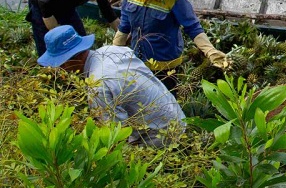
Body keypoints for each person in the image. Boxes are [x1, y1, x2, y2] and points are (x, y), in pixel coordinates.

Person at [37, 25, 185, 148]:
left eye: (61, 64)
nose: (60, 69)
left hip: (161, 137)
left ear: (73, 59)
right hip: (177, 118)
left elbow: (117, 136)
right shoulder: (112, 50)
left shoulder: (98, 86)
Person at [113, 0, 228, 93]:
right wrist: (114, 51)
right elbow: (125, 22)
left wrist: (210, 51)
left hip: (166, 65)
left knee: (165, 100)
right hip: (138, 61)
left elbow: (192, 27)